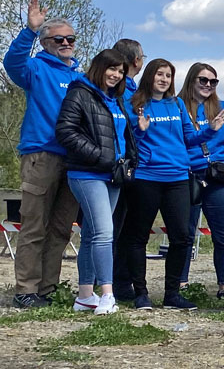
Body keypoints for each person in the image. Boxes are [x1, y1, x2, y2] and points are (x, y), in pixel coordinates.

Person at [125, 59, 224, 311]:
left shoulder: (177, 104)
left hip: (178, 178)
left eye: (168, 75)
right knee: (138, 237)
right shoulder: (137, 104)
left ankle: (172, 294)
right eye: (159, 74)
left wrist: (211, 131)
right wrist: (140, 130)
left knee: (182, 237)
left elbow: (189, 138)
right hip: (147, 177)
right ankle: (141, 293)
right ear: (149, 76)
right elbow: (132, 138)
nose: (163, 79)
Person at [3, 0, 83, 308]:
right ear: (46, 42)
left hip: (75, 159)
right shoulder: (36, 68)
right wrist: (30, 30)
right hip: (41, 154)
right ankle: (26, 290)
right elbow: (13, 64)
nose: (65, 43)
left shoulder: (80, 77)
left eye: (70, 39)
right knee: (34, 225)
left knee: (62, 228)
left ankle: (48, 290)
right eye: (58, 39)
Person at [55, 49, 136, 315]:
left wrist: (129, 160)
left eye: (121, 71)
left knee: (92, 234)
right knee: (104, 232)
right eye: (112, 69)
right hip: (87, 173)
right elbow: (66, 131)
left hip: (114, 174)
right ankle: (107, 296)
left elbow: (125, 134)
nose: (116, 75)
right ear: (99, 67)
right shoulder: (80, 92)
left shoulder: (118, 99)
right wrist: (100, 157)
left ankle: (85, 296)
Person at [178, 63, 224, 298]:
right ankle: (180, 283)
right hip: (187, 176)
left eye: (213, 81)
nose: (208, 85)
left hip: (218, 178)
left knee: (223, 233)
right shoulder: (177, 107)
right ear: (191, 81)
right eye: (203, 80)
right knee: (184, 233)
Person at [110, 38, 145, 301]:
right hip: (122, 166)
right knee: (117, 228)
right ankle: (114, 284)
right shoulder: (125, 92)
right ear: (137, 61)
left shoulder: (127, 90)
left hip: (126, 166)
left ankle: (119, 283)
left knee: (121, 228)